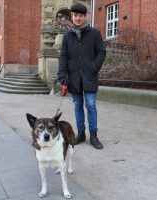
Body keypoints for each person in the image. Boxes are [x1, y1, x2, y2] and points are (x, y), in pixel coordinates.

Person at [57, 3, 106, 149]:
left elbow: (101, 52)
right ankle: (81, 133)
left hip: (89, 76)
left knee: (91, 105)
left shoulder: (94, 33)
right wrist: (62, 76)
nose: (77, 18)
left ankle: (94, 135)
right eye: (75, 15)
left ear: (85, 16)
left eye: (80, 16)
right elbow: (64, 57)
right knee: (78, 105)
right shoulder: (67, 36)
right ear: (72, 16)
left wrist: (93, 68)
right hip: (73, 78)